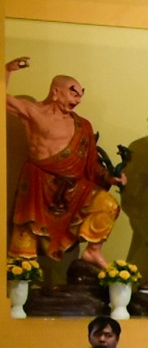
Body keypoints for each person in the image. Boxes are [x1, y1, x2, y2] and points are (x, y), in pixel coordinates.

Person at [4, 57, 120, 268]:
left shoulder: (82, 125)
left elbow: (91, 164)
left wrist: (109, 177)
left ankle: (93, 252)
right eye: (73, 92)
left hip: (74, 188)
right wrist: (7, 70)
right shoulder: (34, 112)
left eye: (81, 94)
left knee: (108, 205)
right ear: (56, 92)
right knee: (26, 240)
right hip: (38, 184)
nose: (78, 99)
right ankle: (19, 286)